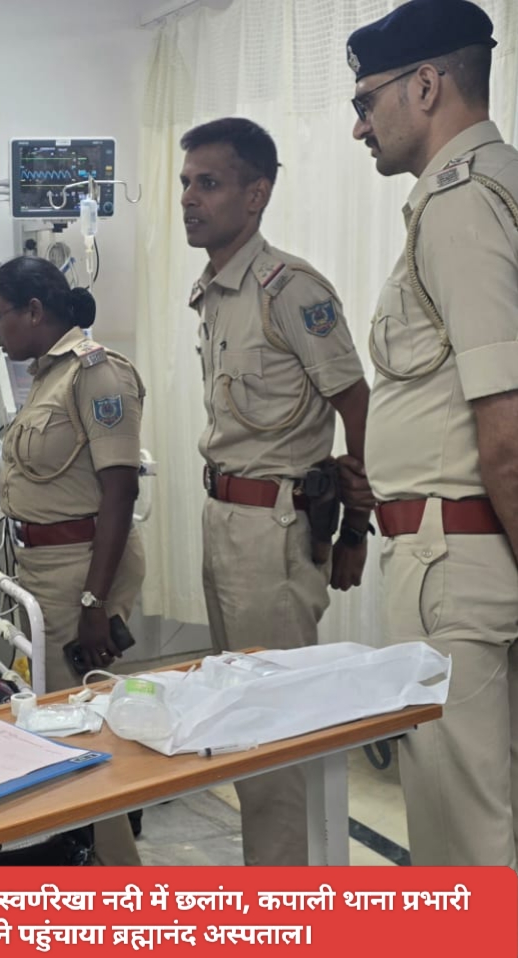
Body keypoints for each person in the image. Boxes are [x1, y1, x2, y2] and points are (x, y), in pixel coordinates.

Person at [345, 0, 518, 867]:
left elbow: (505, 436)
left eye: (365, 101)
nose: (357, 126)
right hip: (478, 552)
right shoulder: (503, 187)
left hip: (457, 562)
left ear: (424, 86)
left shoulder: (458, 207)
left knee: (461, 842)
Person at [179, 117, 372, 866]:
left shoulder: (290, 289)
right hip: (223, 518)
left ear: (255, 194)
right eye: (186, 184)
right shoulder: (214, 292)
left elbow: (356, 403)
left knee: (275, 727)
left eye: (208, 183)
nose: (189, 199)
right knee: (239, 716)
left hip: (276, 529)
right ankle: (270, 877)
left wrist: (353, 530)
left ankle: (288, 897)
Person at [0, 255, 146, 867]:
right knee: (59, 724)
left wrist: (93, 602)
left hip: (80, 567)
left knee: (78, 731)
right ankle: (86, 856)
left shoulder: (97, 374)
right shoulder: (48, 376)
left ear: (34, 311)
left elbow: (120, 490)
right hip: (45, 567)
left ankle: (116, 874)